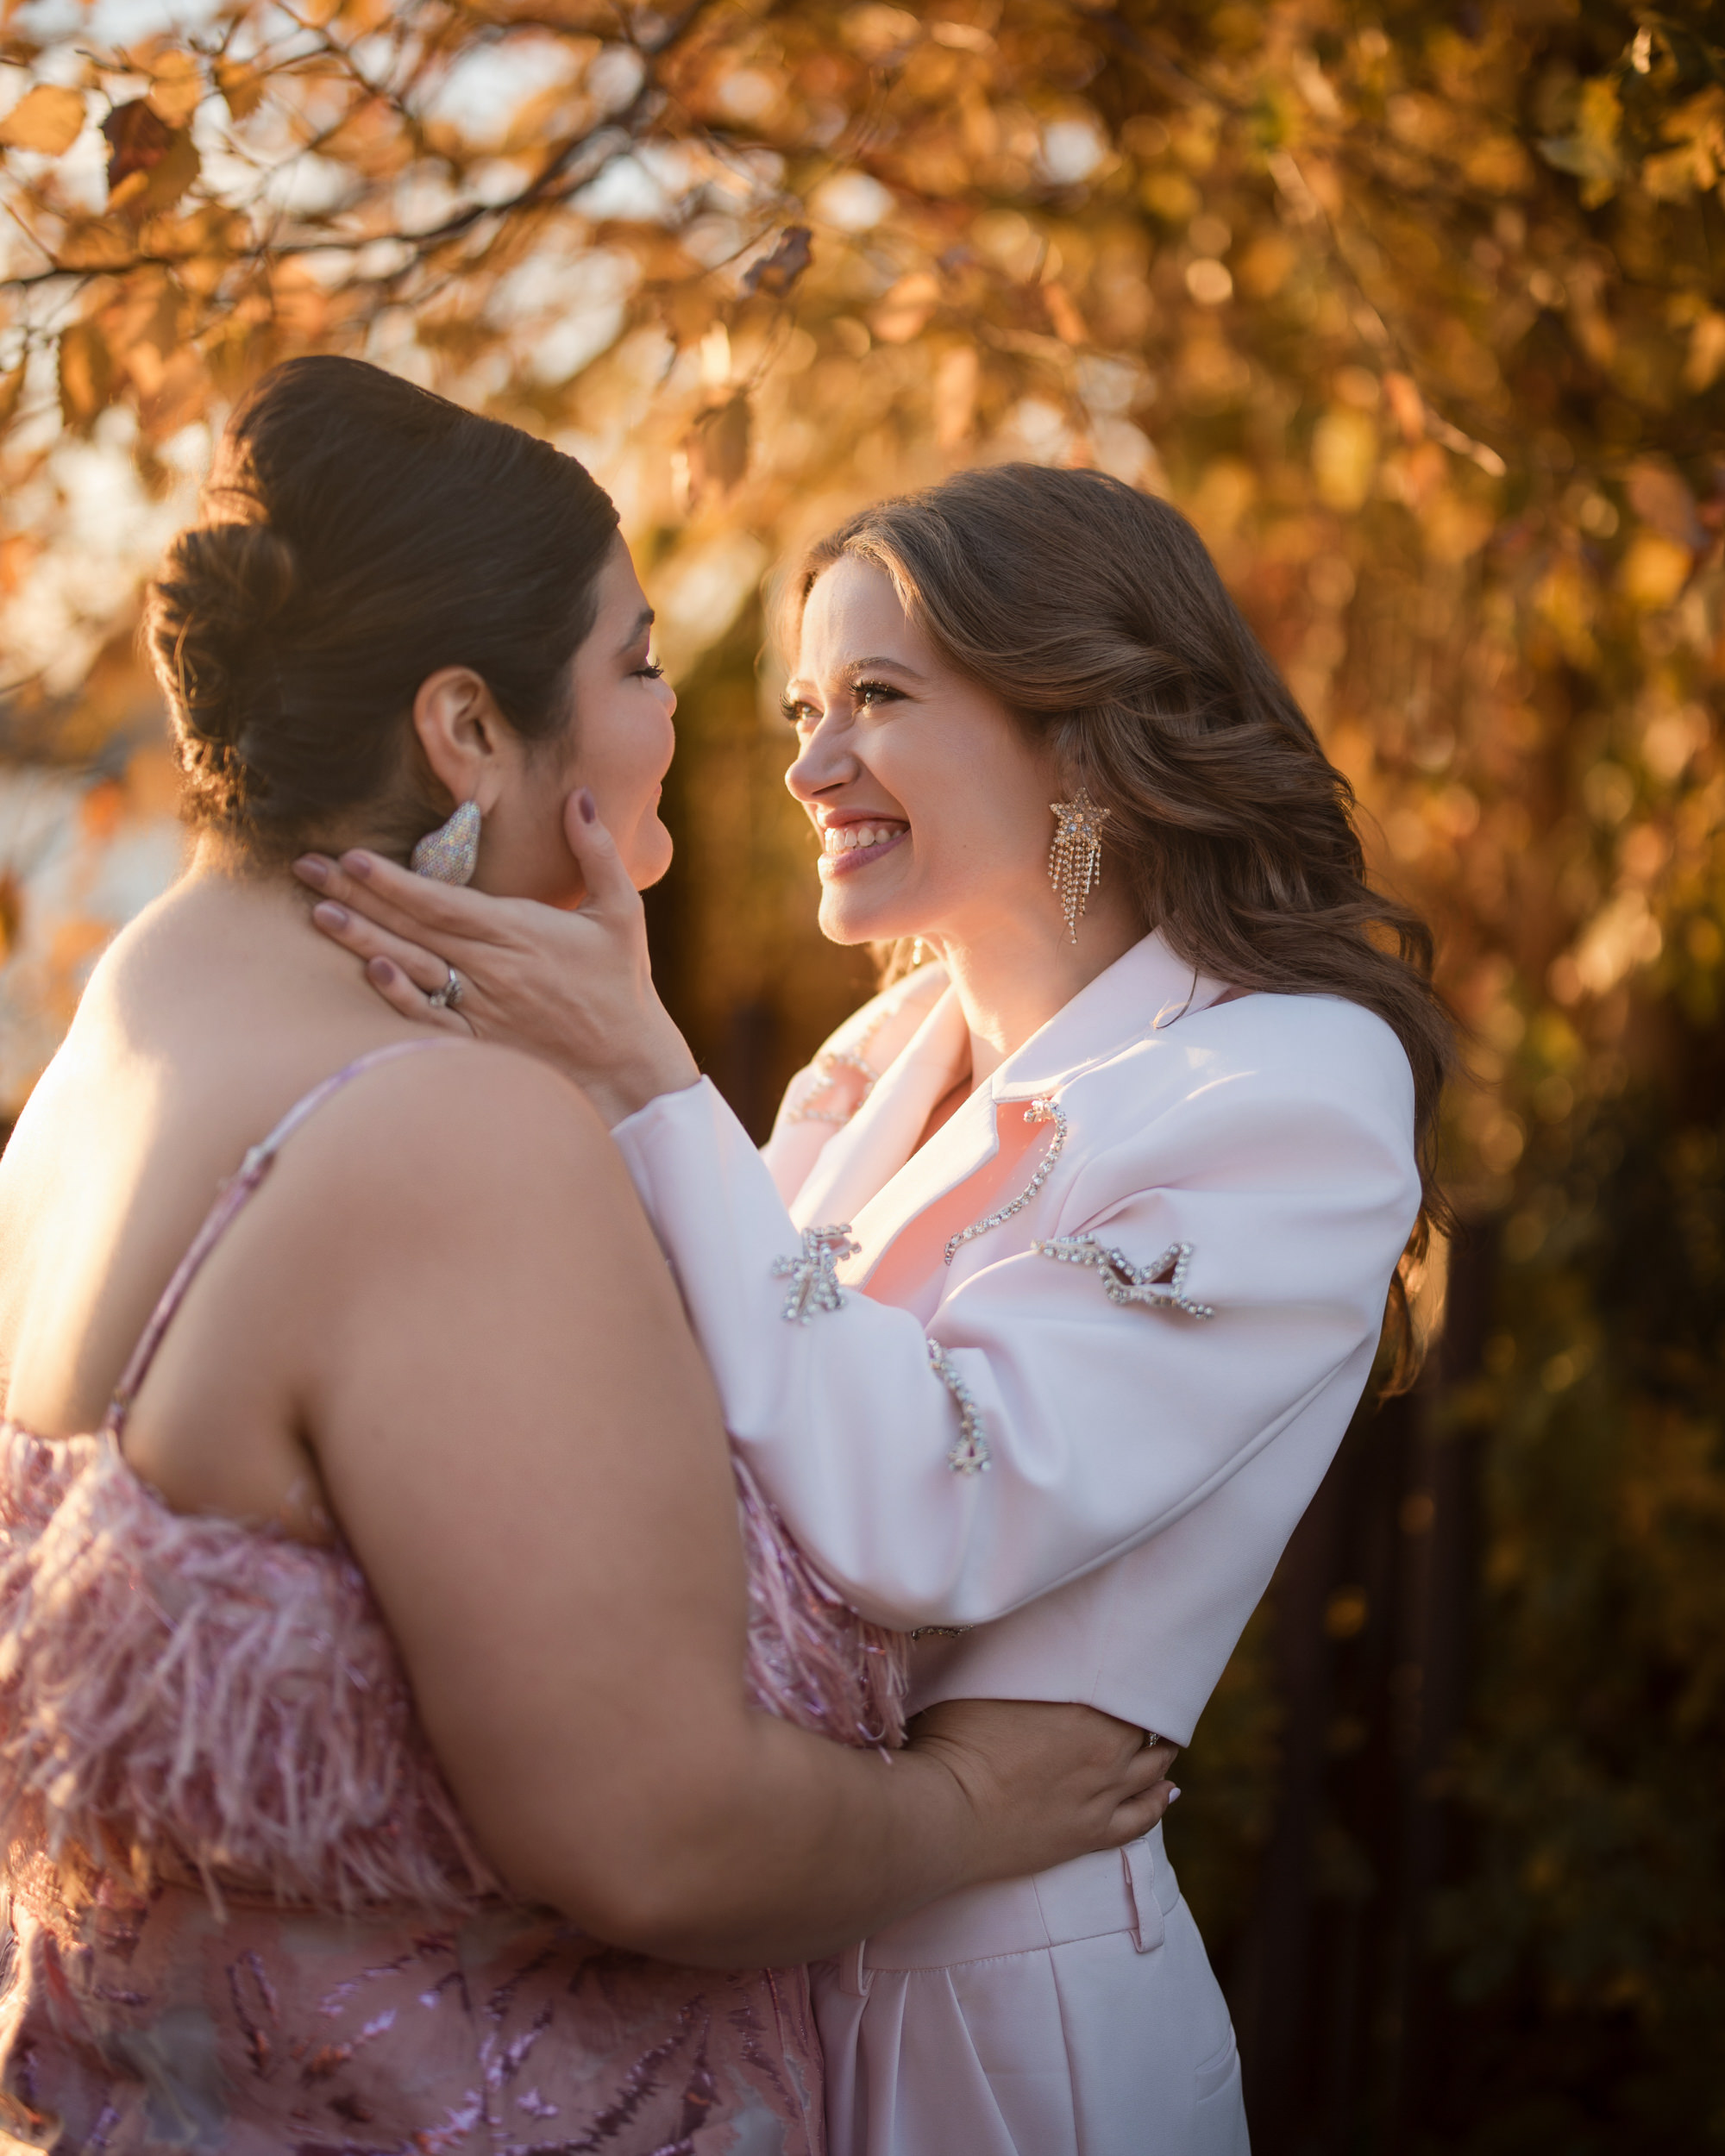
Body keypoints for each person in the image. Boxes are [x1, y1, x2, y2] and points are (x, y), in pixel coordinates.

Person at [0, 368, 1182, 2156]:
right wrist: (975, 1810)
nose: (683, 721)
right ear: (468, 731)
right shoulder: (447, 1133)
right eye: (636, 662)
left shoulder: (128, 1028)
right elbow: (654, 1828)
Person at [300, 462, 1456, 2156]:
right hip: (729, 1970)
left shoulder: (1284, 1085)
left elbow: (933, 1500)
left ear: (1076, 734)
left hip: (994, 2025)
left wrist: (650, 1077)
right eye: (798, 706)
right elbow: (698, 1431)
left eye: (878, 701)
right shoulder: (868, 1070)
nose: (807, 761)